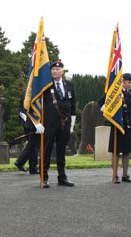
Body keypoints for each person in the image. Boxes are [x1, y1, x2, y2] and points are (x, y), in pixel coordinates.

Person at [33, 59, 76, 188]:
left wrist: (72, 124)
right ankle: (44, 177)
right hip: (49, 123)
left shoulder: (69, 85)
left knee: (61, 151)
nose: (55, 71)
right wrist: (37, 122)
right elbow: (38, 104)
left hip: (65, 124)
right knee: (46, 150)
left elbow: (73, 105)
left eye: (57, 69)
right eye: (53, 69)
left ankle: (62, 177)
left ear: (62, 71)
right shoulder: (46, 86)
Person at [100, 73, 131, 183]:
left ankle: (125, 175)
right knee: (115, 151)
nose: (130, 85)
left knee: (127, 151)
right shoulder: (114, 92)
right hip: (117, 125)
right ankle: (115, 175)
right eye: (128, 82)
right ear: (123, 81)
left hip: (128, 125)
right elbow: (101, 105)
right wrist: (110, 114)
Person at [14, 90, 40, 174]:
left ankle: (31, 166)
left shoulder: (31, 91)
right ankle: (22, 162)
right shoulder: (29, 92)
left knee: (33, 144)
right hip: (30, 122)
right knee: (33, 144)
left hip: (32, 121)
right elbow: (23, 108)